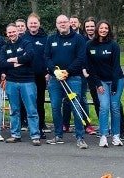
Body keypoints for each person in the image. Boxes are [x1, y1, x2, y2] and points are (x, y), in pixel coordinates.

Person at [45, 13, 89, 148]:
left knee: (76, 107)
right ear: (56, 25)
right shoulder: (51, 39)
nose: (62, 24)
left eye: (65, 22)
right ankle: (58, 135)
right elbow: (46, 57)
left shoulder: (79, 39)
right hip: (55, 80)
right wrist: (54, 71)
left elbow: (81, 58)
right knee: (55, 106)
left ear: (70, 23)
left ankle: (80, 137)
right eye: (59, 23)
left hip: (73, 78)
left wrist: (67, 72)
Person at [85, 20, 124, 148]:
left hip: (116, 80)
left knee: (115, 107)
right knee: (104, 106)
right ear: (97, 29)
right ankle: (103, 136)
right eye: (101, 28)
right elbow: (91, 67)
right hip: (100, 80)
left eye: (106, 28)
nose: (103, 30)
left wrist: (114, 85)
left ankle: (116, 136)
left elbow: (116, 66)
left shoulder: (114, 45)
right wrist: (98, 84)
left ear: (109, 30)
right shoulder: (90, 45)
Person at [0, 23, 40, 145]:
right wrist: (17, 62)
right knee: (14, 110)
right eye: (9, 32)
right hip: (11, 82)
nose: (11, 34)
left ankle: (35, 136)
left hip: (27, 81)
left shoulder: (26, 43)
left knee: (31, 110)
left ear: (18, 31)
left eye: (13, 31)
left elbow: (30, 56)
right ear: (7, 34)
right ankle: (15, 135)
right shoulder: (4, 47)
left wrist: (13, 59)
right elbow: (2, 63)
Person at [21, 13, 49, 137]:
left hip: (40, 76)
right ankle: (25, 127)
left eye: (35, 23)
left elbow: (48, 57)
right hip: (26, 76)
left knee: (39, 103)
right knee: (26, 102)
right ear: (27, 25)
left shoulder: (45, 38)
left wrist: (47, 72)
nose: (33, 25)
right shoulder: (22, 38)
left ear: (39, 24)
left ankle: (40, 127)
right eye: (31, 23)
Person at [80, 17, 100, 136]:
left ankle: (119, 129)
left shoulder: (102, 39)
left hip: (102, 75)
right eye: (87, 27)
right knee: (95, 101)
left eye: (92, 26)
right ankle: (88, 125)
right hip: (89, 76)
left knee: (112, 104)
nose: (90, 28)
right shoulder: (82, 40)